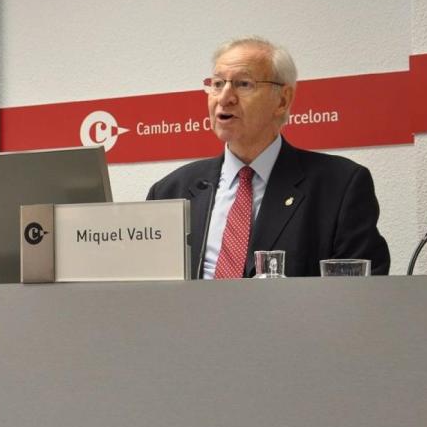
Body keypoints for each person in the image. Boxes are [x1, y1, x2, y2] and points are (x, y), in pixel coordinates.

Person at [147, 37, 390, 277]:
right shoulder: (170, 192)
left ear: (282, 100)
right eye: (218, 84)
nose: (224, 98)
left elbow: (362, 294)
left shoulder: (339, 186)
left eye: (243, 84)